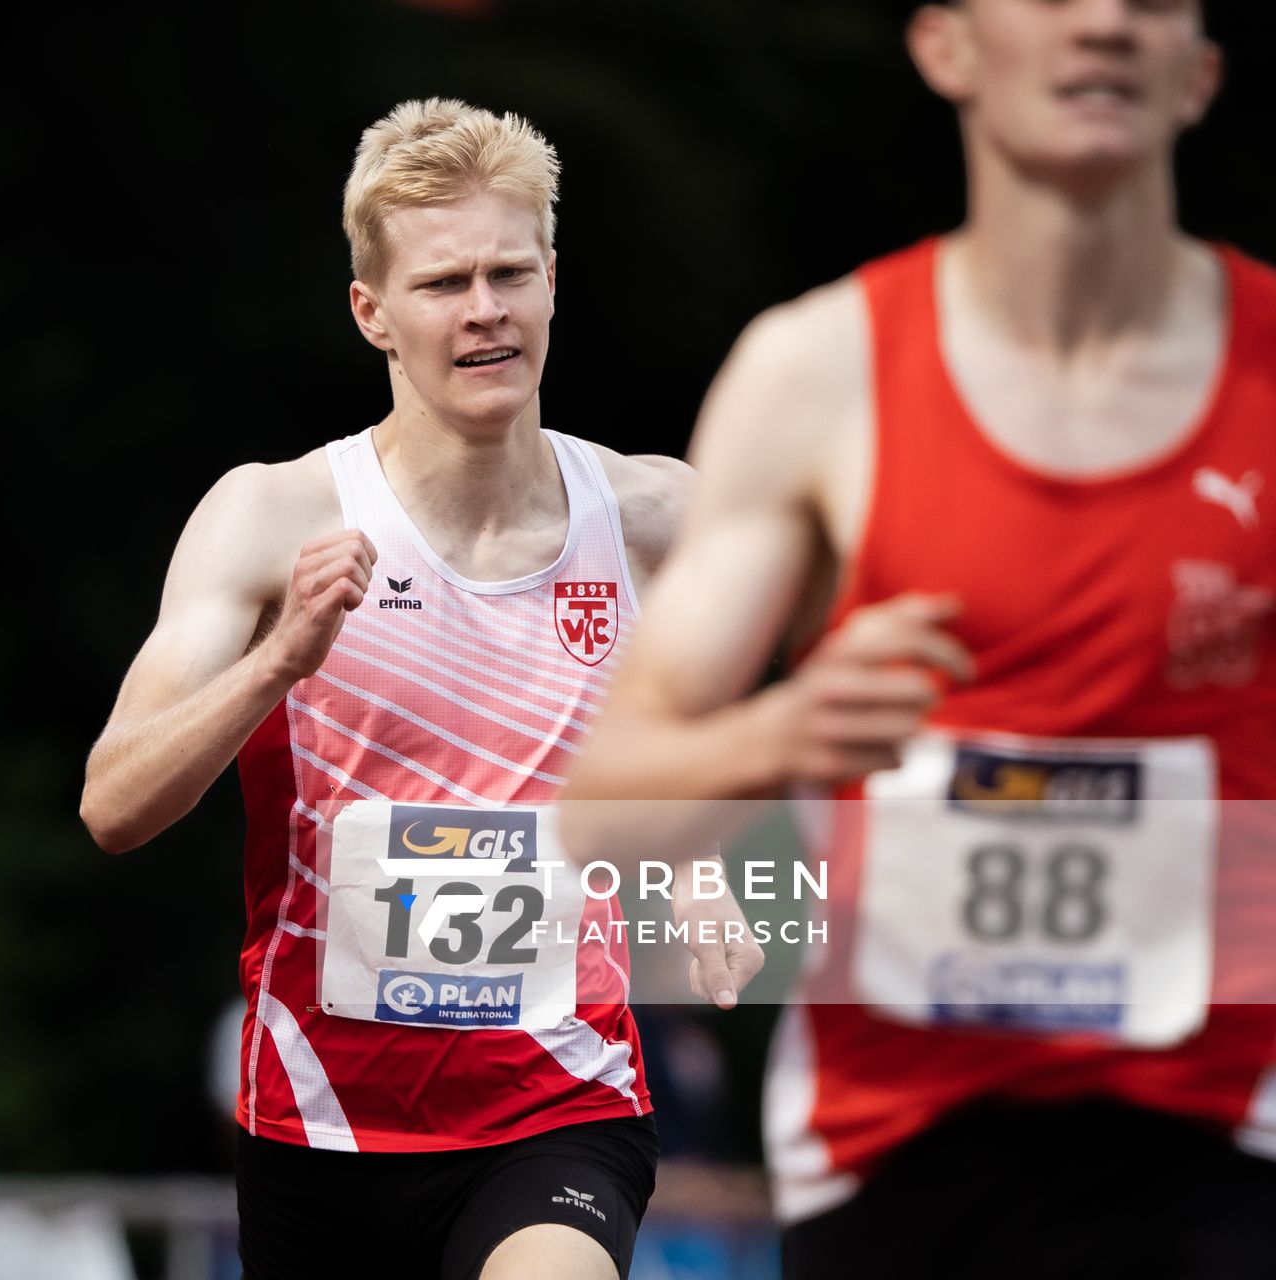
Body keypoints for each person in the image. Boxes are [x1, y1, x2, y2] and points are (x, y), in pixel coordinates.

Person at [566, 2, 1276, 1275]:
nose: (1103, 19)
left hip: (1228, 1134)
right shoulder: (817, 376)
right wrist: (786, 729)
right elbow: (602, 809)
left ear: (1200, 72)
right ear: (946, 47)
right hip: (895, 1146)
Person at [82, 98, 758, 1280]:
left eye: (511, 271)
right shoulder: (274, 517)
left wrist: (697, 871)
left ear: (554, 279)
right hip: (321, 1125)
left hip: (559, 1103)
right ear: (373, 312)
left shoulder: (655, 519)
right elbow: (114, 804)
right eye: (446, 282)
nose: (486, 309)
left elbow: (701, 733)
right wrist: (278, 661)